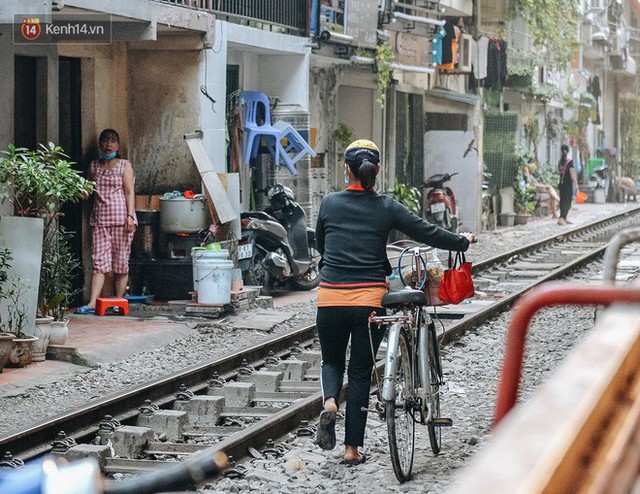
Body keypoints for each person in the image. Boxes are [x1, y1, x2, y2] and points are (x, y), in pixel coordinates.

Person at [313, 139, 475, 465]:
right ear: (377, 170)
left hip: (329, 298)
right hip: (369, 302)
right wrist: (462, 241)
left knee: (331, 361)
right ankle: (351, 450)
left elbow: (322, 244)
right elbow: (427, 231)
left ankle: (330, 403)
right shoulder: (386, 207)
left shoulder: (329, 203)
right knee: (359, 373)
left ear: (346, 169)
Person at [75, 129, 137, 314]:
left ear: (117, 145)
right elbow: (87, 191)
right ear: (100, 144)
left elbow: (129, 191)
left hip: (122, 220)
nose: (108, 145)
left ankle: (119, 301)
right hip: (100, 220)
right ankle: (93, 302)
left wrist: (131, 216)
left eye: (112, 141)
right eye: (104, 141)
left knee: (120, 262)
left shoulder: (124, 165)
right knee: (99, 263)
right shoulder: (93, 166)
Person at [557, 144, 579, 226]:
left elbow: (559, 172)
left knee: (562, 200)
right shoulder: (569, 161)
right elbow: (572, 174)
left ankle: (563, 218)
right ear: (568, 151)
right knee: (567, 201)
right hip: (567, 185)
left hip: (561, 184)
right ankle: (562, 218)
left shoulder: (560, 162)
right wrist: (576, 185)